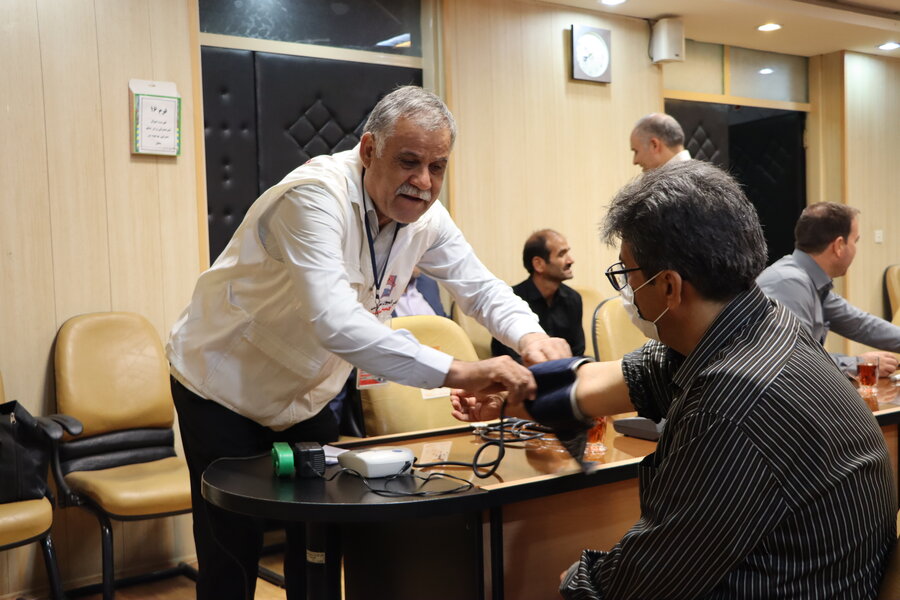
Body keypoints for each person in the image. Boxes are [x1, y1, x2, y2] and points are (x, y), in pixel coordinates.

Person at [166, 86, 571, 600]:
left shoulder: (426, 219)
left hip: (307, 394)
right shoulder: (313, 197)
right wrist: (461, 372)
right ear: (368, 149)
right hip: (223, 386)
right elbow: (335, 320)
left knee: (319, 544)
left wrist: (532, 337)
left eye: (438, 167)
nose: (423, 182)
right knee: (232, 552)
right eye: (409, 161)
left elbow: (480, 288)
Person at [452, 161, 896, 599]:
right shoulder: (763, 325)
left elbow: (645, 582)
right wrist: (517, 394)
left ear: (669, 287)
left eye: (627, 274)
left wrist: (574, 580)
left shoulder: (732, 402)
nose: (628, 291)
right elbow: (630, 376)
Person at [757, 202, 900, 377]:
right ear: (839, 246)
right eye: (855, 241)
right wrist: (858, 363)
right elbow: (796, 360)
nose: (856, 249)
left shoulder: (809, 281)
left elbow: (861, 324)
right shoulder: (788, 283)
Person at [491, 230, 585, 361]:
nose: (570, 260)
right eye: (561, 254)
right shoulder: (511, 301)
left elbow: (577, 351)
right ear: (538, 264)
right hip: (523, 372)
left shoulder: (573, 298)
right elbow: (508, 358)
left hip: (565, 371)